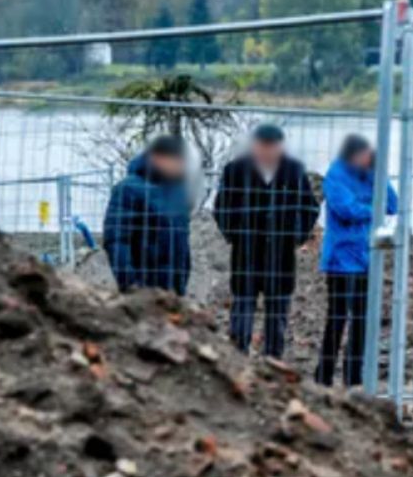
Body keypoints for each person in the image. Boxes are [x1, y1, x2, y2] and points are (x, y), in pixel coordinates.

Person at [213, 124, 319, 358]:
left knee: (277, 312)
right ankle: (238, 358)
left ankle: (274, 361)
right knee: (242, 308)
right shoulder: (235, 170)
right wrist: (235, 235)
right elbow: (221, 207)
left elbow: (310, 207)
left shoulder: (294, 171)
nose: (268, 151)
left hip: (280, 256)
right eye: (263, 146)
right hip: (246, 254)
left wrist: (295, 236)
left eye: (273, 146)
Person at [316, 134, 397, 388]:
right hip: (341, 260)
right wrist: (373, 208)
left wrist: (377, 174)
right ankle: (324, 376)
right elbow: (346, 209)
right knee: (337, 318)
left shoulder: (371, 173)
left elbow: (392, 204)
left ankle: (353, 377)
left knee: (363, 319)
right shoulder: (336, 174)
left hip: (366, 259)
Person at [102, 134, 192, 295]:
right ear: (158, 159)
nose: (182, 165)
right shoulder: (128, 190)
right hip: (144, 289)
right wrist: (129, 284)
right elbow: (116, 240)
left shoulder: (178, 191)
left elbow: (182, 241)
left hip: (174, 290)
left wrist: (182, 278)